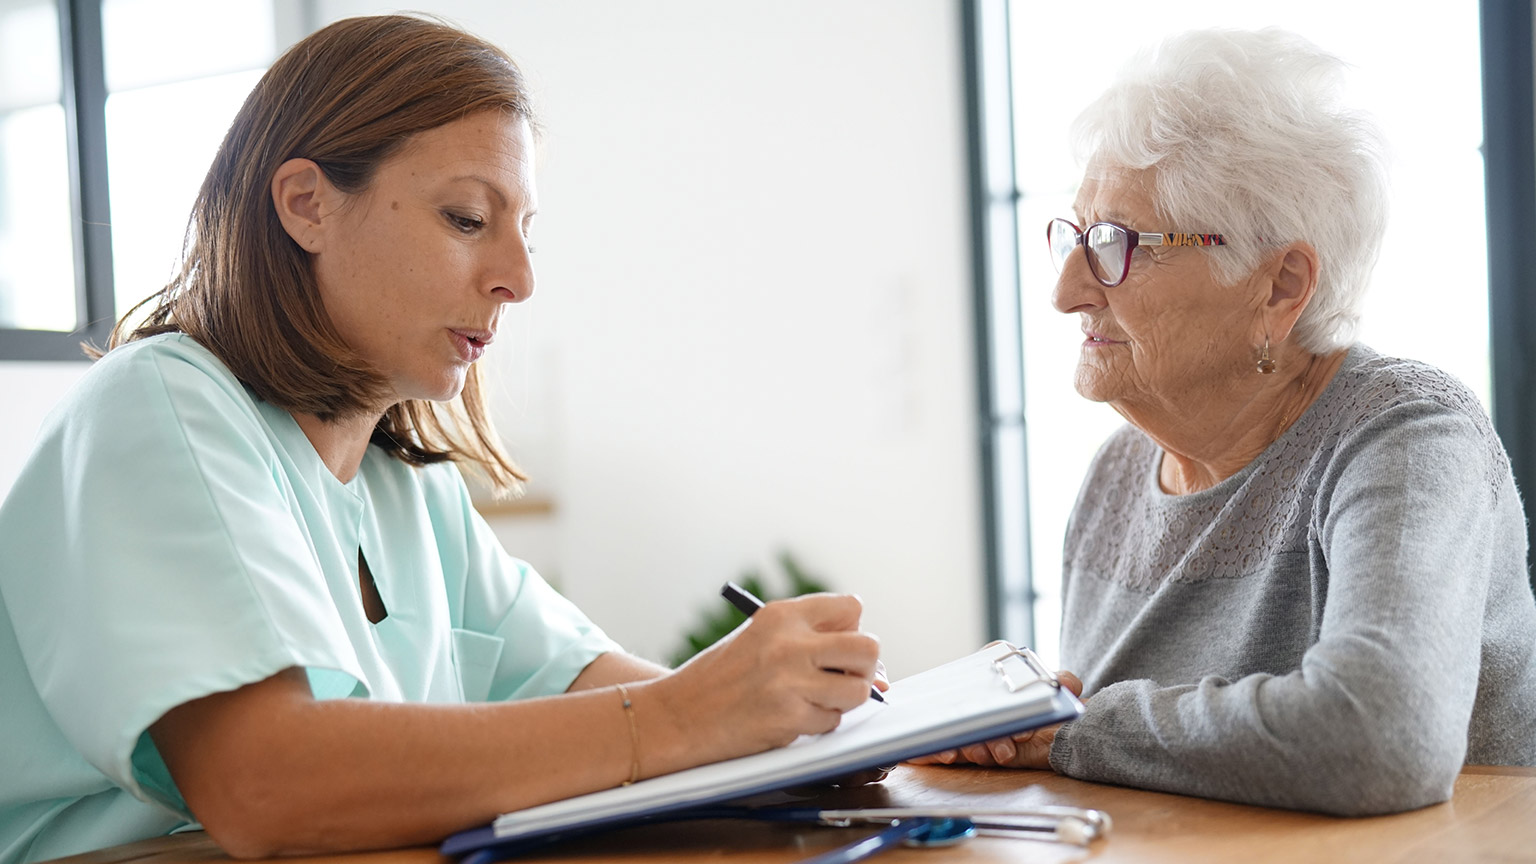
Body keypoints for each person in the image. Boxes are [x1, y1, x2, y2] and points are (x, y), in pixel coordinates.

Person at [0, 15, 883, 864]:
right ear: (306, 204)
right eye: (466, 219)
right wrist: (695, 715)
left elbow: (611, 692)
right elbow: (264, 785)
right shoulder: (156, 407)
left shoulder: (408, 492)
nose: (519, 279)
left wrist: (861, 724)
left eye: (524, 233)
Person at [911, 28, 1536, 815]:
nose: (1066, 290)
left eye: (1114, 243)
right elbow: (1138, 777)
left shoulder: (1407, 434)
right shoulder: (1113, 480)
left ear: (1280, 285)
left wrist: (1071, 731)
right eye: (1073, 236)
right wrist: (1033, 721)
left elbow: (1380, 737)